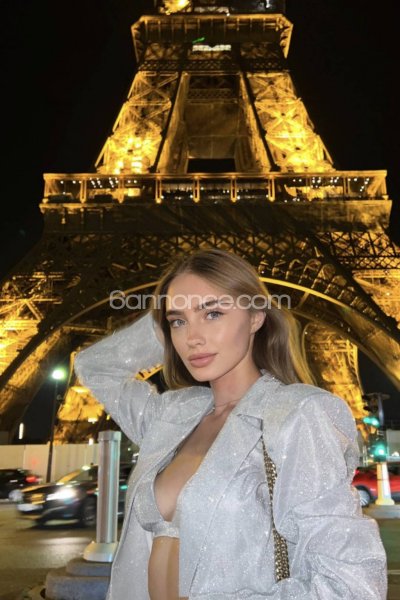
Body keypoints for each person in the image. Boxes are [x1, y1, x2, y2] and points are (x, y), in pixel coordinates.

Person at [74, 247, 387, 600]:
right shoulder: (172, 415)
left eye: (213, 313)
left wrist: (184, 310)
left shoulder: (295, 414)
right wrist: (166, 314)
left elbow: (352, 584)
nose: (192, 339)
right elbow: (95, 366)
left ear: (256, 317)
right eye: (178, 322)